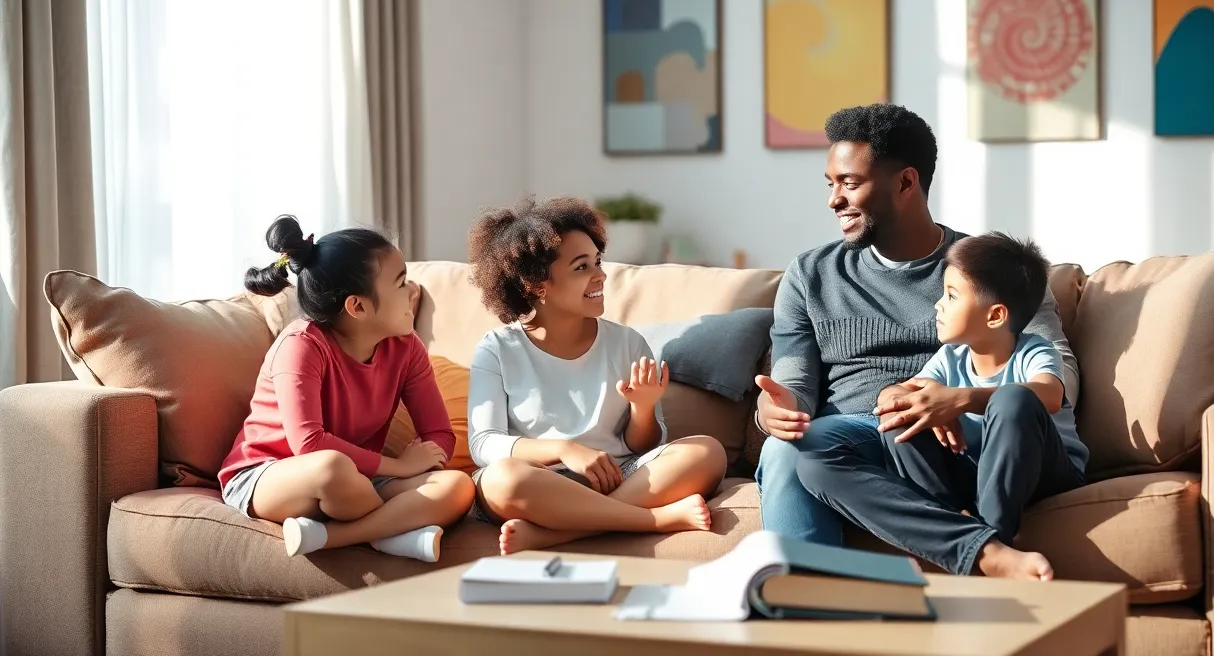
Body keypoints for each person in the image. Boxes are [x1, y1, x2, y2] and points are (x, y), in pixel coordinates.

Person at [753, 103, 1080, 580]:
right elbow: (793, 379)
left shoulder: (988, 269)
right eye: (831, 185)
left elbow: (1059, 371)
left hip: (962, 435)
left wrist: (964, 399)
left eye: (849, 183)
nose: (834, 201)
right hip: (861, 436)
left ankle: (970, 548)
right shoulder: (810, 274)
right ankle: (805, 616)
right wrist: (775, 409)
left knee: (843, 440)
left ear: (906, 183)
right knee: (789, 447)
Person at [796, 232, 1088, 581]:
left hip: (1044, 471)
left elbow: (1049, 394)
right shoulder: (951, 357)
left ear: (995, 316)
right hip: (968, 478)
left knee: (1013, 398)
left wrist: (960, 399)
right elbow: (896, 396)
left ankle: (990, 532)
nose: (938, 304)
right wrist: (920, 404)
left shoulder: (1033, 350)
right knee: (837, 453)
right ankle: (978, 545)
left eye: (951, 296)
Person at [465, 196, 726, 556]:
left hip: (619, 477)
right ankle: (652, 520)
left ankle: (560, 535)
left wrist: (643, 409)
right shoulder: (496, 349)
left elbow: (643, 446)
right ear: (535, 284)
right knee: (502, 480)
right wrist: (564, 449)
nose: (601, 275)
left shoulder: (628, 343)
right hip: (543, 485)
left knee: (708, 452)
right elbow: (483, 444)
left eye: (597, 261)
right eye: (581, 266)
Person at [218, 216, 476, 563]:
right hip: (271, 473)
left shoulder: (406, 346)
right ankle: (391, 533)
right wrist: (399, 467)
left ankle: (333, 536)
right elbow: (309, 443)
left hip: (358, 480)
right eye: (401, 283)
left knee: (457, 487)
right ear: (357, 307)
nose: (413, 291)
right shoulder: (302, 345)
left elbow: (440, 433)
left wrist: (423, 459)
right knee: (332, 468)